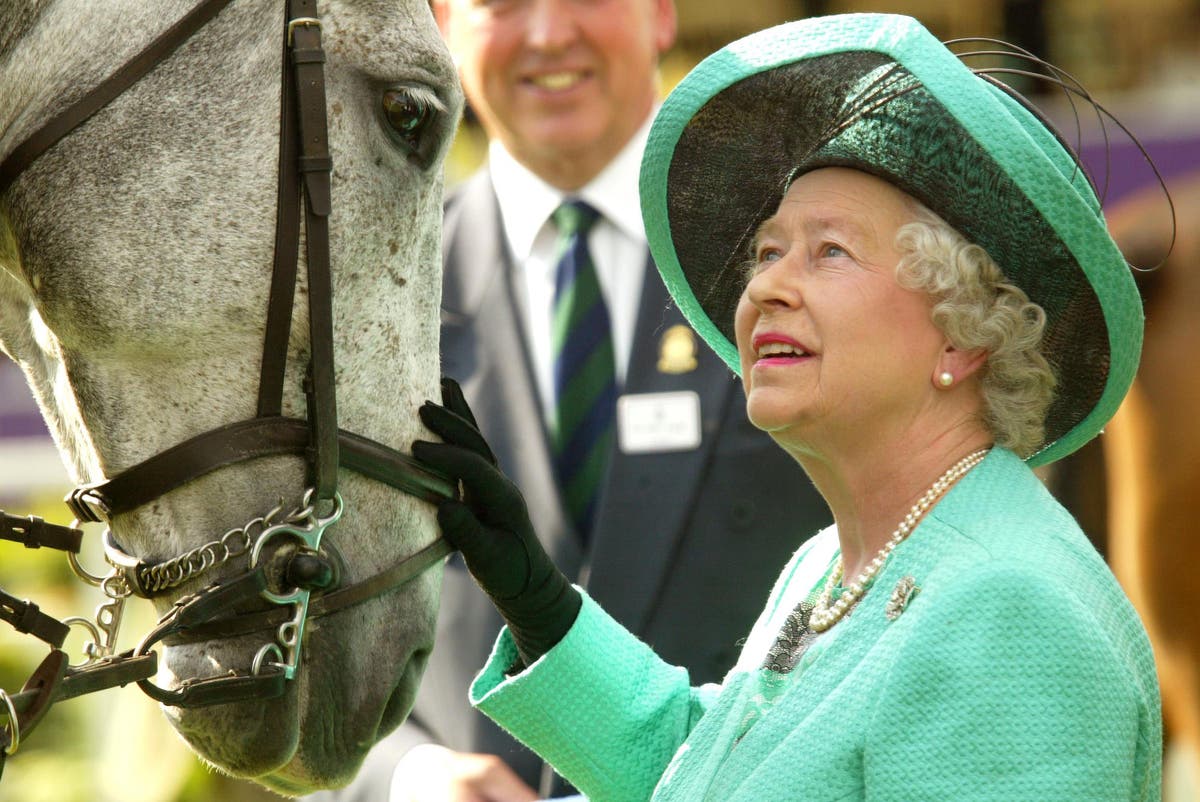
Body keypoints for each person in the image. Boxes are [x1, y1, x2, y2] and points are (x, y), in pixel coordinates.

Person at [408, 13, 1163, 801]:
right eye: (768, 251)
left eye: (830, 251)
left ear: (963, 334)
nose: (766, 285)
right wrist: (542, 607)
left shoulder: (1006, 610)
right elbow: (712, 774)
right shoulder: (830, 564)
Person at [311, 1, 830, 800]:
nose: (550, 34)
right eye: (503, 2)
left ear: (661, 13)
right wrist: (406, 777)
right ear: (443, 26)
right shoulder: (362, 292)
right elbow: (304, 627)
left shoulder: (803, 267)